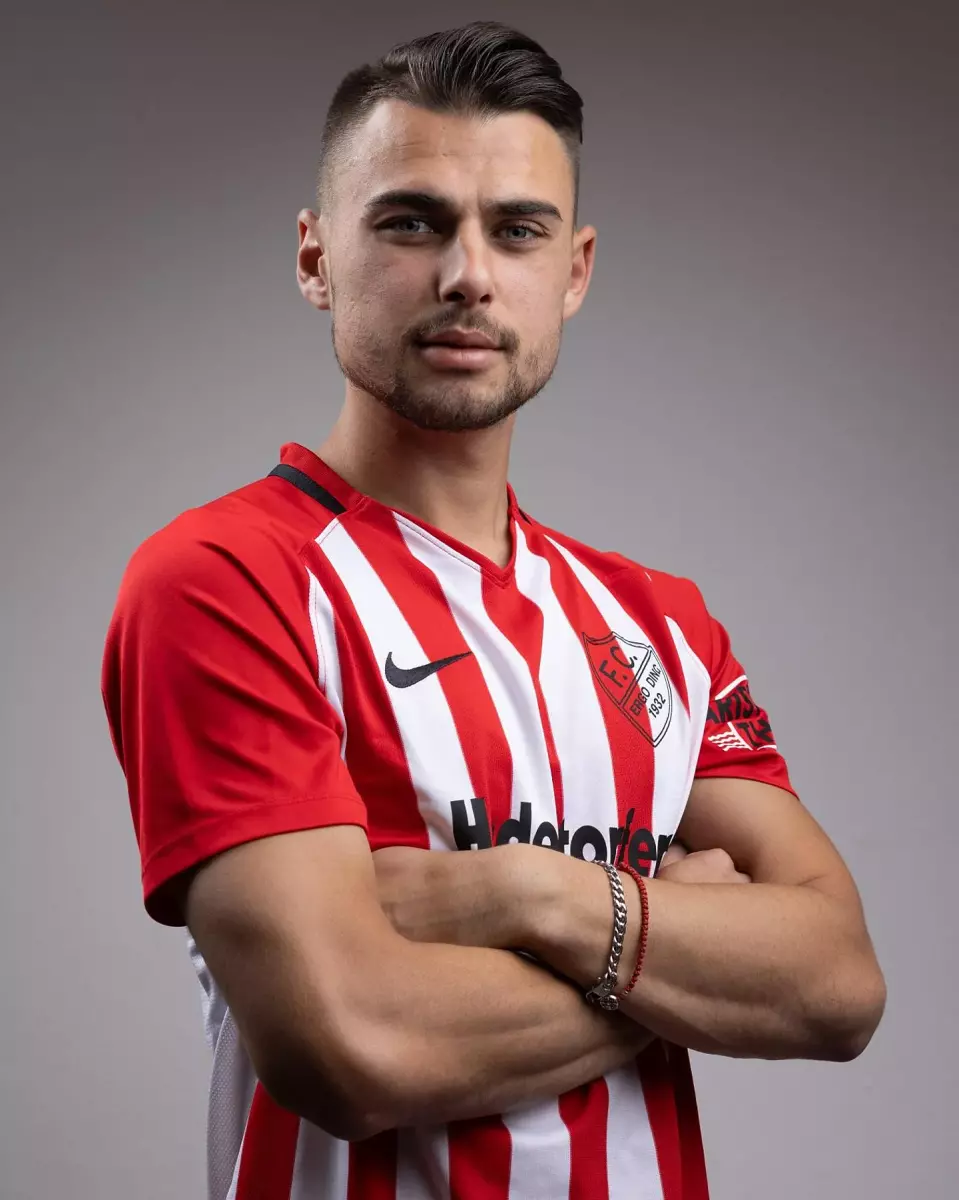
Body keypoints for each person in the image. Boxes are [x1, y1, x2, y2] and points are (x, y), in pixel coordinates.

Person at [101, 20, 886, 1200]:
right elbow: (350, 1045)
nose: (466, 273)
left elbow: (835, 985)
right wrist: (675, 951)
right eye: (411, 222)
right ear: (315, 258)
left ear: (571, 271)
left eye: (515, 229)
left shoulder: (658, 623)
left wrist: (533, 894)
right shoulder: (226, 581)